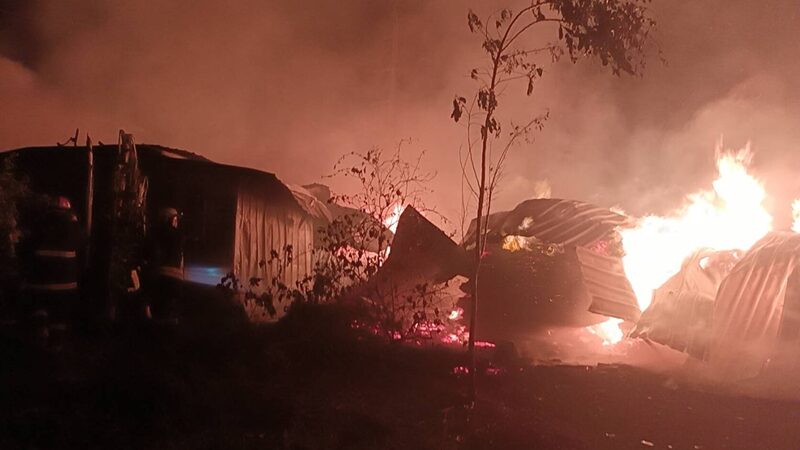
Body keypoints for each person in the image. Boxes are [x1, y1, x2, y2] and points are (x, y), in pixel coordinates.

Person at [21, 196, 82, 346]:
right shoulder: (73, 225)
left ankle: (41, 331)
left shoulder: (40, 222)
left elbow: (28, 246)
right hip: (66, 282)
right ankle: (56, 347)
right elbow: (81, 245)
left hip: (40, 280)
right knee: (59, 317)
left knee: (39, 306)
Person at [146, 207, 184, 324]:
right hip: (177, 277)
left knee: (159, 311)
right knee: (171, 311)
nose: (176, 223)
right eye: (175, 220)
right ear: (170, 220)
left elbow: (153, 255)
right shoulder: (178, 236)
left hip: (161, 275)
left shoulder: (155, 234)